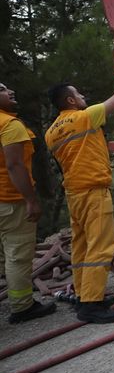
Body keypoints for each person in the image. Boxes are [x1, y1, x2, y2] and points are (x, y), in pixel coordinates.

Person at [46, 64, 114, 323]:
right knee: (100, 248)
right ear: (71, 100)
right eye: (80, 95)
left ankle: (85, 295)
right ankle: (91, 306)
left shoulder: (51, 132)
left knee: (82, 247)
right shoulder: (85, 117)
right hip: (93, 192)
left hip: (74, 194)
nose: (84, 98)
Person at [0, 82, 57, 324]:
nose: (10, 91)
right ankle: (23, 306)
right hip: (11, 201)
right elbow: (14, 165)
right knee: (18, 255)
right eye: (2, 90)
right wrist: (31, 200)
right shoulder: (9, 126)